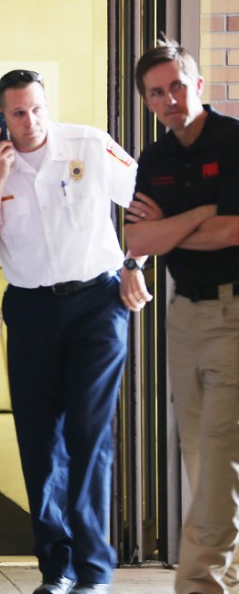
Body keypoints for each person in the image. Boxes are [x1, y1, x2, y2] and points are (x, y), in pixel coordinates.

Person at [0, 69, 150, 594]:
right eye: (17, 113)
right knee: (41, 441)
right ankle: (55, 569)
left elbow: (147, 201)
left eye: (37, 108)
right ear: (0, 116)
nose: (31, 121)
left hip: (96, 304)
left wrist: (135, 262)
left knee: (89, 434)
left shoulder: (87, 143)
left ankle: (93, 571)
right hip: (32, 309)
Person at [126, 38, 239, 594]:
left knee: (219, 456)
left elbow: (235, 230)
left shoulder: (235, 142)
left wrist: (170, 229)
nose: (169, 98)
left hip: (234, 313)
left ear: (197, 84)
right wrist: (199, 215)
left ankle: (199, 584)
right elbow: (137, 238)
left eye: (176, 85)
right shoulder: (154, 158)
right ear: (148, 101)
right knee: (203, 456)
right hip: (182, 317)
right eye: (156, 93)